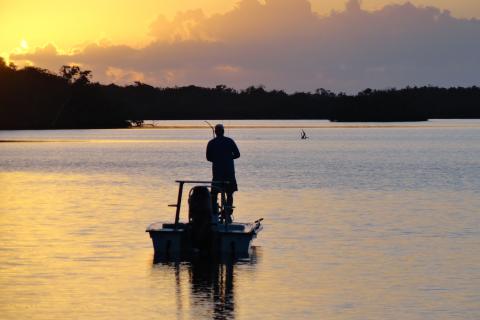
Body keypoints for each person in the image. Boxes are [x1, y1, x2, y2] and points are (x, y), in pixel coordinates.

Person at [206, 124, 240, 220]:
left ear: (215, 132)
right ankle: (228, 214)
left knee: (214, 194)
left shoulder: (211, 143)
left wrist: (217, 159)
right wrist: (228, 158)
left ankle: (214, 214)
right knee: (229, 194)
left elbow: (208, 158)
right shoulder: (230, 141)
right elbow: (237, 154)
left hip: (217, 173)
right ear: (223, 131)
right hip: (229, 173)